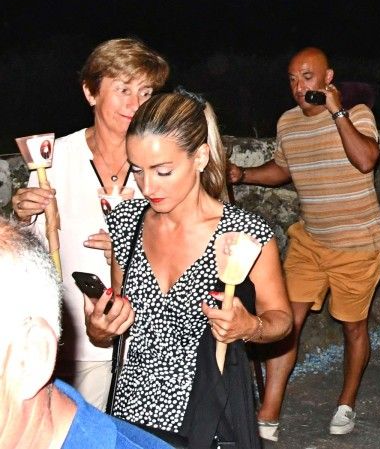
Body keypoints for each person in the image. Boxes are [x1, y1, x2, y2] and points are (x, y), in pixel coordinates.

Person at [84, 91, 291, 446]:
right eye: (137, 170)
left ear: (199, 157)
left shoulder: (244, 233)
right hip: (131, 417)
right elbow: (115, 323)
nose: (148, 186)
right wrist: (100, 328)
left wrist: (249, 326)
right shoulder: (125, 224)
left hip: (208, 418)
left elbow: (281, 320)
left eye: (163, 171)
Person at [229, 47, 380, 439]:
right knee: (284, 323)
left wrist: (337, 113)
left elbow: (366, 160)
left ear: (328, 77)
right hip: (310, 241)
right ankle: (268, 412)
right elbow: (282, 168)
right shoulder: (287, 122)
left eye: (307, 77)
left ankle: (346, 403)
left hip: (357, 244)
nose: (299, 88)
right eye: (293, 80)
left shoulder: (358, 114)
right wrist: (242, 175)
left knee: (353, 327)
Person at [11, 37, 170, 409]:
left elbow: (186, 242)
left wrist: (131, 250)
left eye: (146, 92)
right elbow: (28, 255)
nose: (136, 103)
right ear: (90, 92)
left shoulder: (164, 161)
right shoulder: (55, 159)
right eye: (123, 89)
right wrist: (23, 214)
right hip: (71, 342)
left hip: (144, 342)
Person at [0, 217, 172, 449]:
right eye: (141, 176)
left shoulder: (228, 232)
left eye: (162, 176)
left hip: (182, 390)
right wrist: (100, 329)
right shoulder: (131, 216)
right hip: (123, 382)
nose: (148, 184)